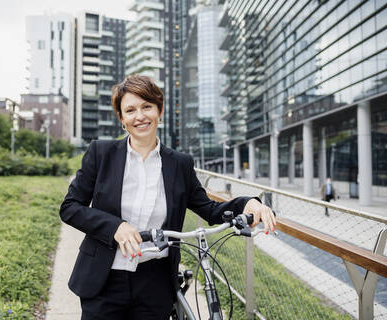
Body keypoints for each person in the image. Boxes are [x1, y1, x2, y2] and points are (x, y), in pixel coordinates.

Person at [59, 75, 276, 320]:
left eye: (147, 107)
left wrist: (246, 202)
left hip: (155, 283)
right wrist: (115, 227)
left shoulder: (179, 164)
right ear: (121, 119)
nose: (139, 116)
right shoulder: (101, 153)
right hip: (104, 277)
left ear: (159, 111)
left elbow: (208, 208)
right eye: (130, 110)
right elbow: (70, 208)